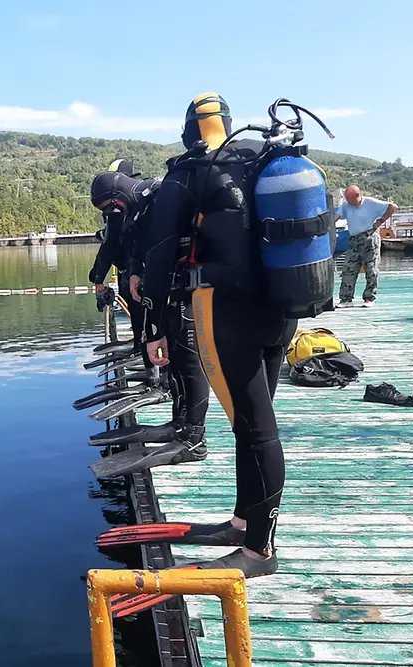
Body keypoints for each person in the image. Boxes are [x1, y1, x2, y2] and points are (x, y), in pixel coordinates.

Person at [137, 92, 297, 577]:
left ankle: (258, 553)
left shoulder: (189, 173)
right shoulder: (265, 157)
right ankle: (244, 523)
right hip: (280, 309)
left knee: (255, 428)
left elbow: (160, 255)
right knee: (252, 424)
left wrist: (155, 329)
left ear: (189, 128)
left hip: (227, 312)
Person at [91, 166, 210, 450]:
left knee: (189, 361)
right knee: (178, 357)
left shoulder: (160, 197)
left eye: (109, 206)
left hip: (190, 288)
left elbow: (161, 250)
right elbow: (136, 245)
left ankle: (194, 437)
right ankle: (180, 423)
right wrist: (134, 271)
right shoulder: (139, 207)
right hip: (171, 288)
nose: (111, 213)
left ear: (117, 194)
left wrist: (150, 292)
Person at [89, 160, 160, 374]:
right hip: (134, 267)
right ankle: (142, 349)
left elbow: (110, 244)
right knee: (141, 311)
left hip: (139, 267)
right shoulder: (134, 204)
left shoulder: (141, 203)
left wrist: (98, 277)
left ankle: (154, 365)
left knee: (146, 312)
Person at [335, 185, 397, 306]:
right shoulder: (346, 206)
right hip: (353, 239)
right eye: (346, 197)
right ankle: (346, 299)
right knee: (348, 268)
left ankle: (369, 298)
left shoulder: (371, 203)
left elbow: (392, 207)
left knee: (371, 268)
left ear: (357, 196)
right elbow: (336, 217)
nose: (346, 200)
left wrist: (380, 221)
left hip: (369, 237)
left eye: (348, 198)